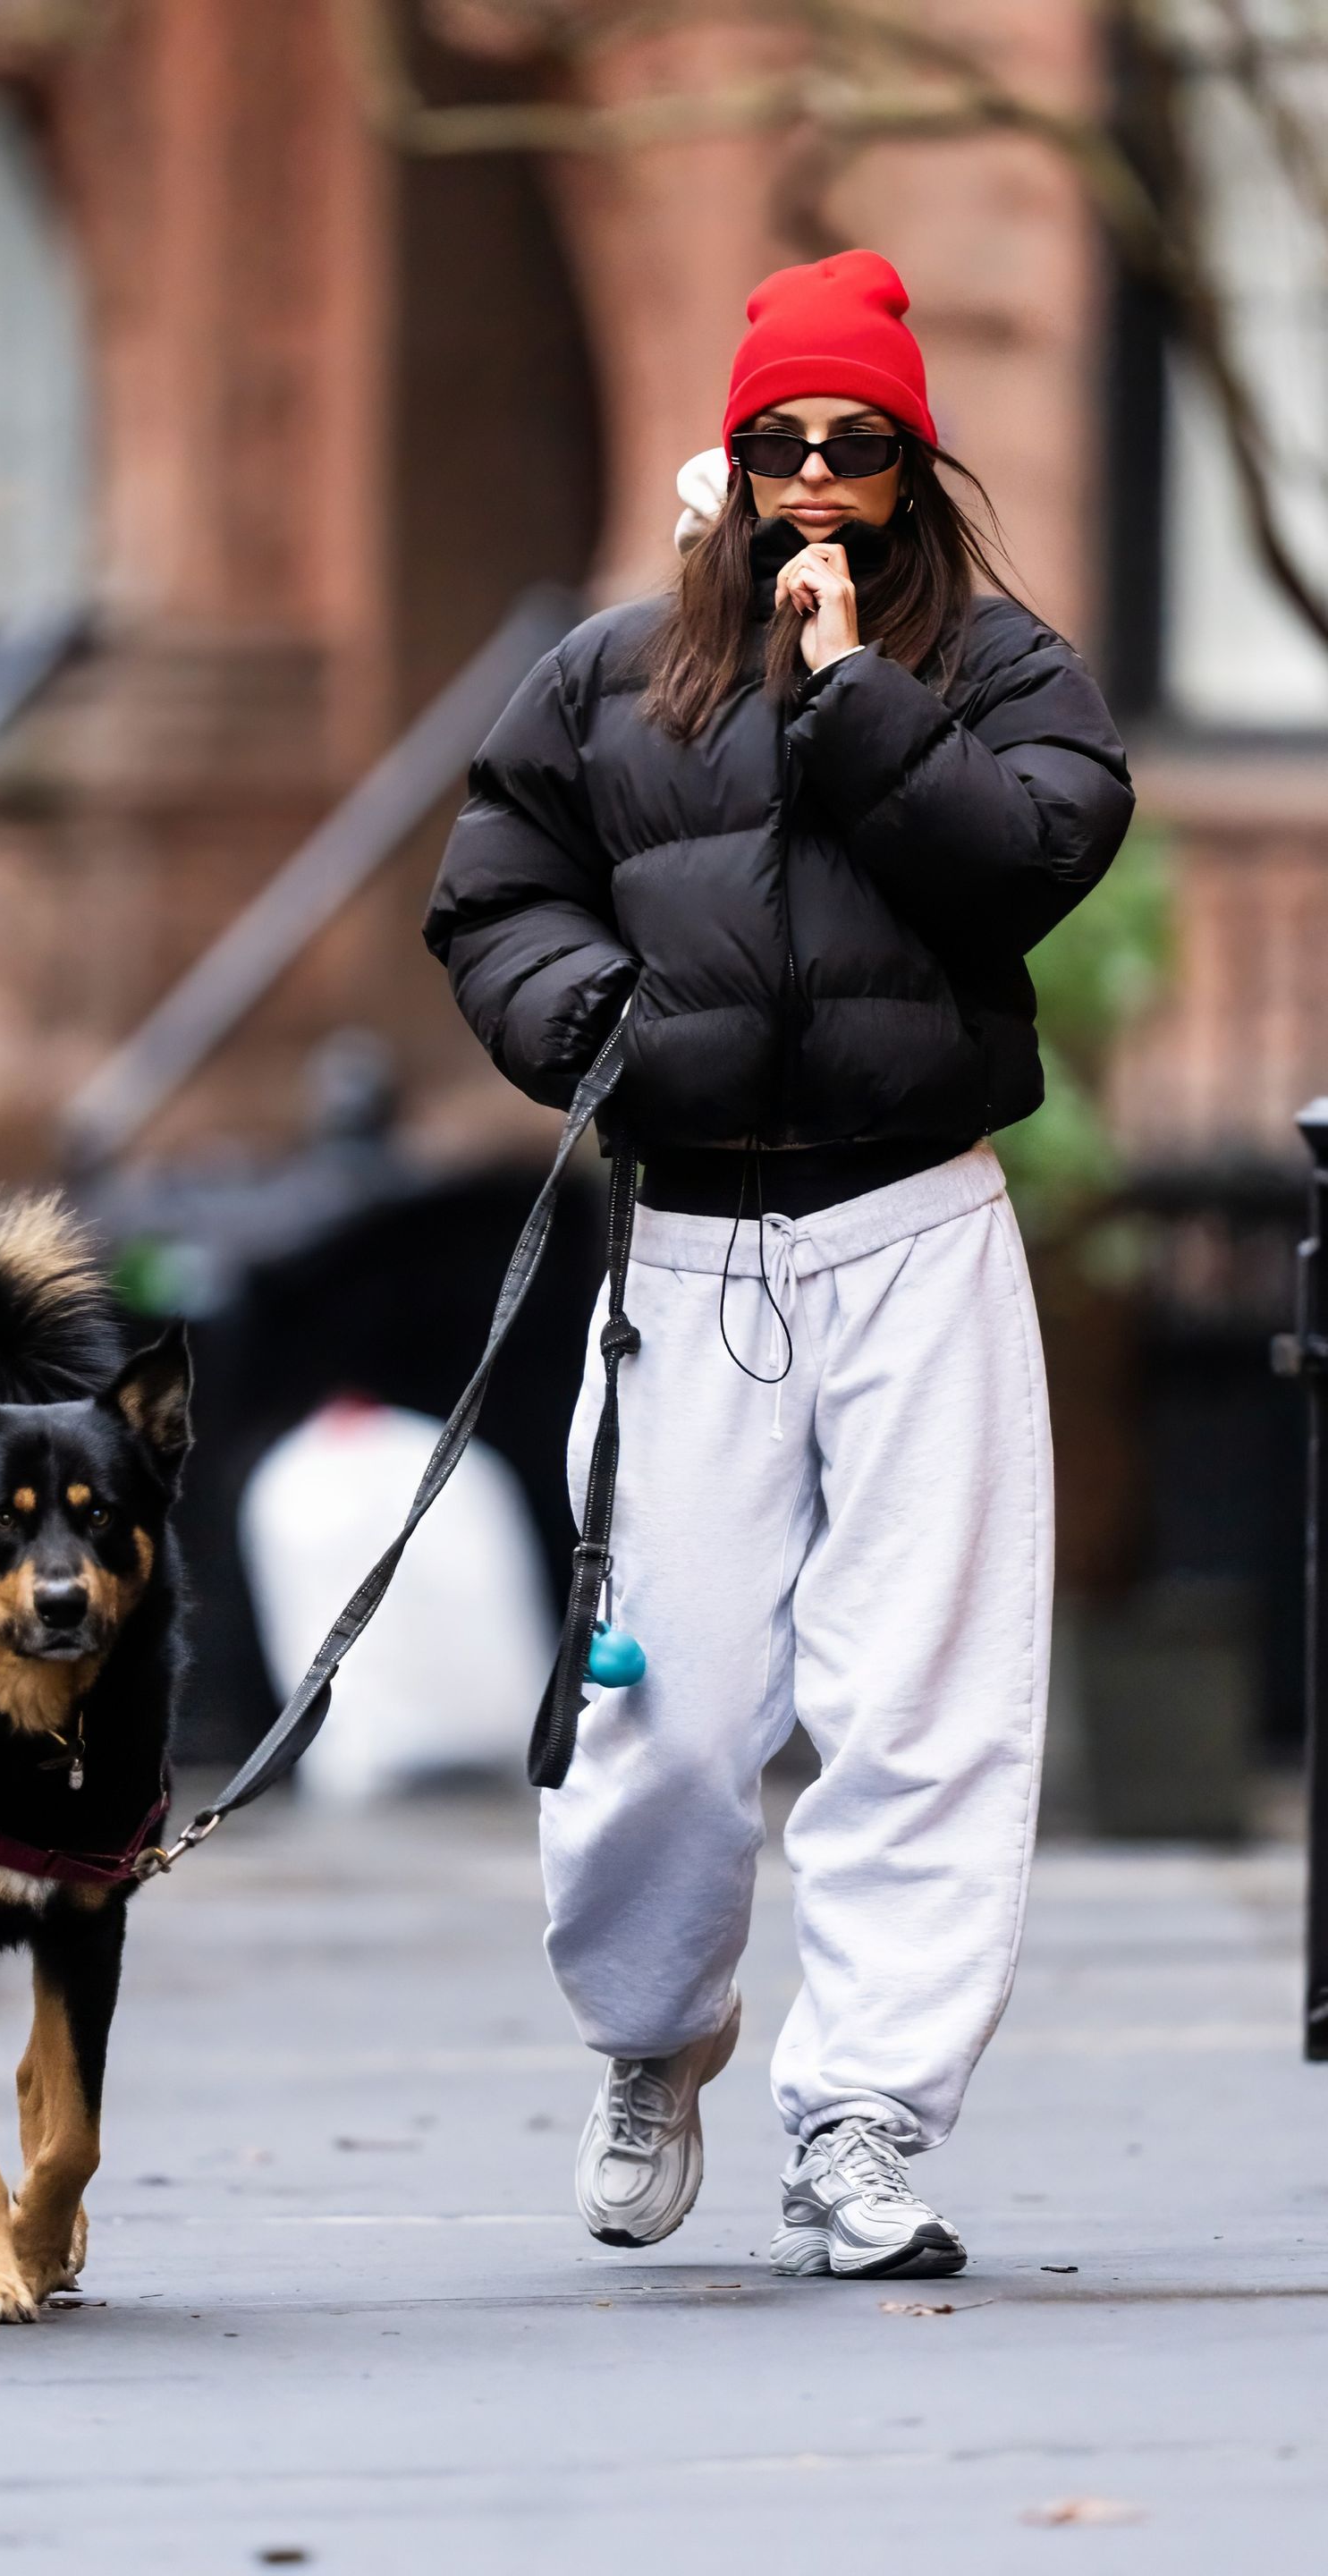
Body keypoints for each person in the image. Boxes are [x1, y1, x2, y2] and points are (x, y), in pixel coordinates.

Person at [423, 250, 1133, 2279]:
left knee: (924, 1700)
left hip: (917, 1227)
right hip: (689, 1247)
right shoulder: (606, 680)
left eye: (859, 445)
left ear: (915, 464)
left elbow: (1030, 858)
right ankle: (653, 2040)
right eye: (779, 446)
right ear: (729, 465)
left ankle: (868, 2126)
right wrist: (578, 1018)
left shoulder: (999, 675)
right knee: (661, 1695)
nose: (817, 478)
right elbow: (492, 891)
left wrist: (847, 701)